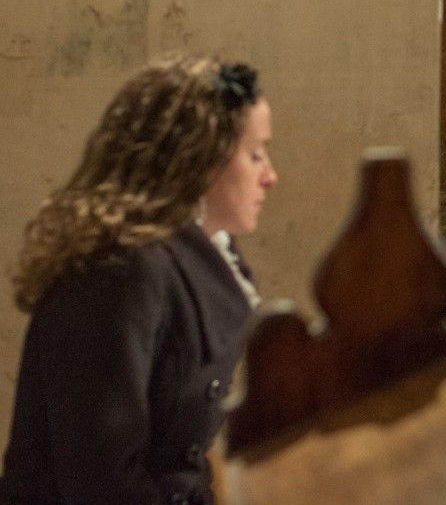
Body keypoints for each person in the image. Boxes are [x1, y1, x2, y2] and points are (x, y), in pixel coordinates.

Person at [0, 54, 278, 504]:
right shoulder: (119, 271)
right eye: (256, 154)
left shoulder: (187, 260)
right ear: (200, 158)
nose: (270, 176)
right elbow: (101, 481)